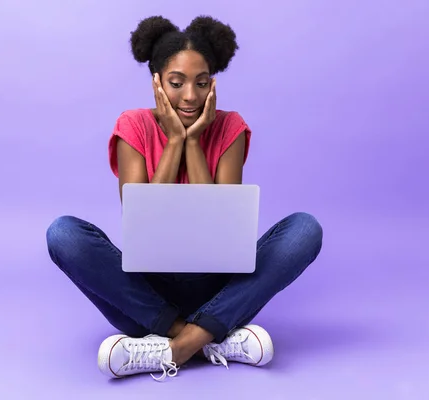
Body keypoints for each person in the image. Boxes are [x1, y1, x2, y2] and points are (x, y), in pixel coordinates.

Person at [46, 15, 323, 381]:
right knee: (63, 234)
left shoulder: (230, 127)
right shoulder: (133, 125)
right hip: (145, 296)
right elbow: (143, 218)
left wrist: (195, 140)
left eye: (202, 83)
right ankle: (206, 337)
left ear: (213, 84)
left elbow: (219, 227)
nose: (191, 96)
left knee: (305, 229)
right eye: (177, 83)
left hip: (219, 287)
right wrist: (175, 140)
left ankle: (172, 347)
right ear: (157, 82)